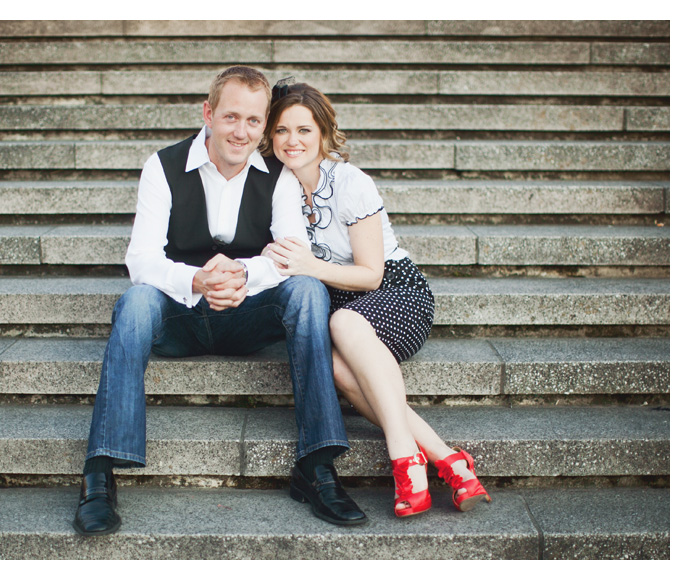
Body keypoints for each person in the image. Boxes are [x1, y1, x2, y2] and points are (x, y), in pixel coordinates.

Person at [73, 66, 368, 536]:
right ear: (208, 114)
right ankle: (99, 474)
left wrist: (244, 274)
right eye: (231, 117)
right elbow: (141, 260)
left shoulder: (280, 176)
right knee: (134, 304)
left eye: (254, 121)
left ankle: (317, 466)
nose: (242, 131)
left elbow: (294, 253)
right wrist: (199, 281)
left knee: (309, 290)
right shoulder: (163, 166)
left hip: (248, 317)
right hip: (180, 316)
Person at [261, 81, 491, 517]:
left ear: (324, 134)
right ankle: (448, 459)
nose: (293, 141)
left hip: (397, 294)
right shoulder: (279, 186)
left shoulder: (350, 183)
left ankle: (404, 456)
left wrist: (309, 266)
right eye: (282, 130)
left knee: (343, 325)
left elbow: (372, 275)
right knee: (332, 364)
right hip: (341, 305)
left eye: (304, 130)